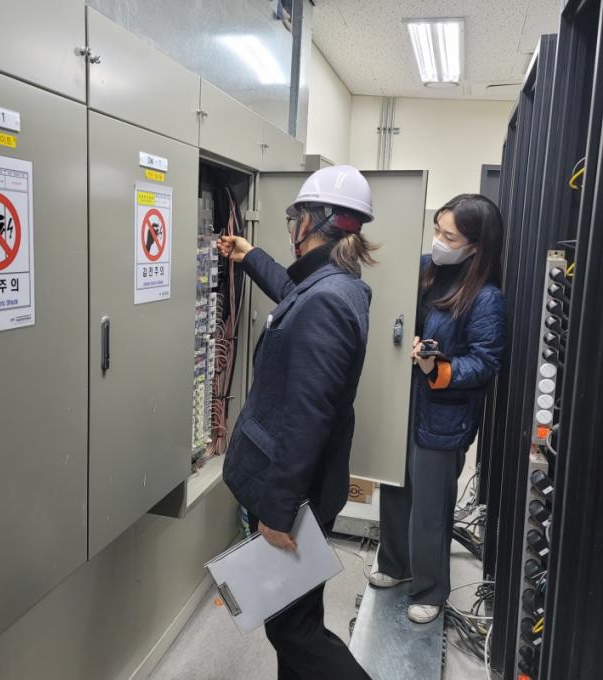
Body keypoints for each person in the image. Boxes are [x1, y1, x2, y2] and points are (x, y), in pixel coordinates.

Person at [217, 165, 377, 680]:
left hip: (295, 496)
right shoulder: (337, 286)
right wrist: (250, 257)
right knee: (296, 614)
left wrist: (278, 511)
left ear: (311, 222)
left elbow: (309, 416)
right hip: (305, 489)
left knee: (293, 630)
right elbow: (294, 293)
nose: (292, 226)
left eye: (295, 217)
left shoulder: (326, 302)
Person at [371, 193, 507, 624]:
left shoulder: (485, 298)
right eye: (437, 230)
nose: (439, 242)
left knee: (429, 507)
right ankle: (395, 564)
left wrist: (438, 366)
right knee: (395, 488)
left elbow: (485, 362)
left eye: (449, 237)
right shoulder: (425, 271)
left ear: (475, 247)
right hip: (405, 401)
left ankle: (431, 590)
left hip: (443, 414)